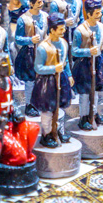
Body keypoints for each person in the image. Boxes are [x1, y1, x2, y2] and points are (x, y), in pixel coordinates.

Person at [72, 0, 103, 130]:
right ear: (89, 14)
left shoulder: (101, 27)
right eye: (96, 13)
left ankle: (94, 114)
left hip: (98, 62)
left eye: (99, 12)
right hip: (84, 65)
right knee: (85, 93)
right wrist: (88, 51)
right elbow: (75, 51)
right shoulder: (79, 31)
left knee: (95, 91)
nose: (99, 15)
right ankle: (84, 117)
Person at [33, 13, 72, 146]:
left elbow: (65, 61)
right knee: (47, 110)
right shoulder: (43, 48)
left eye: (64, 28)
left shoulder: (64, 43)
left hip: (61, 79)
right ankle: (46, 134)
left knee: (58, 108)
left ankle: (56, 129)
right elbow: (38, 68)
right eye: (60, 29)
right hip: (46, 82)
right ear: (52, 30)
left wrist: (69, 74)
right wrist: (53, 69)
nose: (64, 31)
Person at [14, 0, 47, 117]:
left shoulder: (45, 16)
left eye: (42, 1)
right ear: (31, 3)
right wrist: (29, 40)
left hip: (42, 51)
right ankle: (30, 104)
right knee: (31, 81)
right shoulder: (23, 19)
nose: (41, 4)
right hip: (29, 53)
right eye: (38, 2)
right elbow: (17, 39)